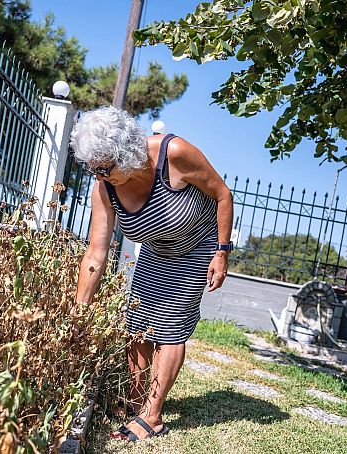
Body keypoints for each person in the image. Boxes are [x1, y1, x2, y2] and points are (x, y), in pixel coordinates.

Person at [71, 106, 234, 442]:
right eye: (93, 170)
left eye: (105, 168)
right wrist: (79, 309)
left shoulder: (174, 154)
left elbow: (222, 194)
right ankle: (133, 400)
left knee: (170, 328)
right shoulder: (105, 188)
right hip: (157, 250)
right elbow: (96, 252)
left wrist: (222, 252)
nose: (99, 176)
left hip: (197, 245)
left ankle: (153, 416)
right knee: (138, 326)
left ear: (127, 154)